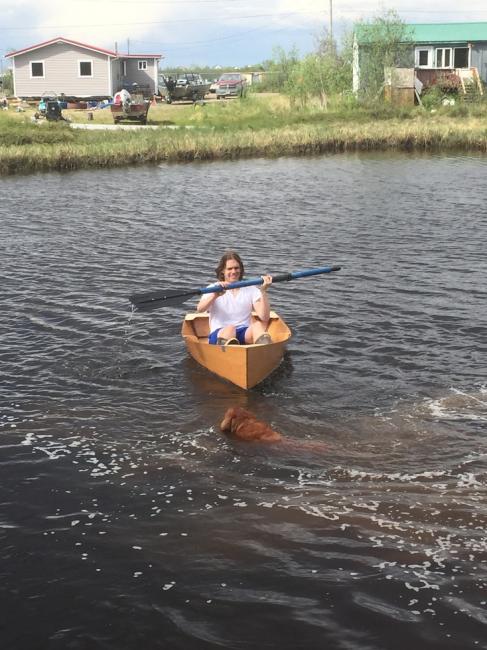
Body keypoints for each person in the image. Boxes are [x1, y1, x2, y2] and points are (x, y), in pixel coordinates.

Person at [197, 251, 273, 346]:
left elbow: (264, 317)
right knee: (230, 328)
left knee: (257, 325)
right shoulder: (213, 288)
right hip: (220, 333)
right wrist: (215, 295)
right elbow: (200, 309)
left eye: (236, 268)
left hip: (243, 332)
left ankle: (264, 348)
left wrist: (263, 291)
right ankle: (226, 348)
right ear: (223, 271)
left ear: (240, 269)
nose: (234, 272)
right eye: (229, 269)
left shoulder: (251, 289)